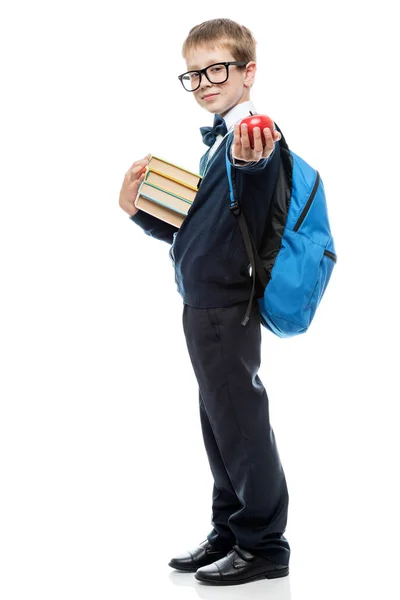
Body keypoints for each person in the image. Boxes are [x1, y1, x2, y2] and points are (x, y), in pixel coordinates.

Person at [119, 18, 290, 586]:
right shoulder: (219, 141)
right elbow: (202, 230)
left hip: (226, 307)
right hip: (202, 303)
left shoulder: (252, 138)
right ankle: (230, 528)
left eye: (217, 68)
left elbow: (261, 179)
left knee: (241, 424)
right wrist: (139, 209)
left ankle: (264, 543)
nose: (205, 81)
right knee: (220, 424)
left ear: (248, 72)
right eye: (193, 74)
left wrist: (252, 160)